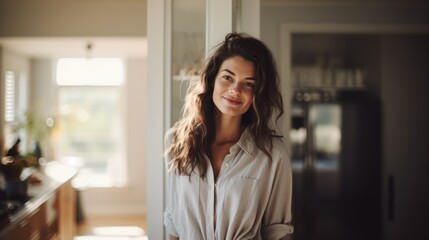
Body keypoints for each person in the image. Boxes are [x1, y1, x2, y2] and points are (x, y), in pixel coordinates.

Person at [164, 32, 293, 240]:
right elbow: (174, 223)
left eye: (248, 83)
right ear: (212, 79)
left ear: (257, 93)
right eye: (228, 77)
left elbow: (278, 231)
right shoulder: (176, 141)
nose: (235, 90)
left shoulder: (272, 154)